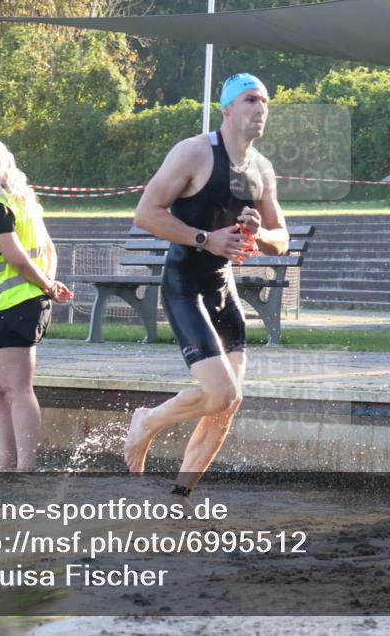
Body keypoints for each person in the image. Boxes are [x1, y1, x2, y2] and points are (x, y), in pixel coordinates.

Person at [123, 73, 288, 498]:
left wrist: (257, 233)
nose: (261, 108)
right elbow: (145, 214)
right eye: (252, 100)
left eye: (266, 101)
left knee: (228, 403)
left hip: (222, 289)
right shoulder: (194, 153)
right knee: (220, 392)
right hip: (184, 286)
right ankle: (146, 421)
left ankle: (180, 498)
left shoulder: (261, 169)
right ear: (228, 109)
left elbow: (280, 239)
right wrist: (205, 238)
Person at [0, 137, 73, 470]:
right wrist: (49, 286)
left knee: (17, 388)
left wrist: (45, 286)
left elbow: (17, 258)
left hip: (16, 307)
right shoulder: (24, 204)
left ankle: (24, 468)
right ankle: (6, 462)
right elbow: (50, 251)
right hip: (16, 306)